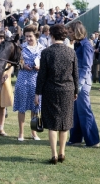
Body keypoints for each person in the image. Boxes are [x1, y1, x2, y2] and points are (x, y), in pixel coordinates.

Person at [34, 24, 78, 164]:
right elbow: (75, 74)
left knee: (52, 124)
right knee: (64, 123)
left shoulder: (46, 52)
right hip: (67, 89)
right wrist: (76, 90)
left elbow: (42, 75)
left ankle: (53, 154)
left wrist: (37, 93)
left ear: (52, 35)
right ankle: (62, 152)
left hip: (50, 90)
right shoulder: (71, 52)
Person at [67, 20, 100, 147]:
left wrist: (79, 84)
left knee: (85, 111)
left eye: (70, 32)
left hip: (82, 82)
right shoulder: (78, 45)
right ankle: (75, 139)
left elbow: (87, 66)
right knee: (75, 111)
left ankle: (93, 140)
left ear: (76, 32)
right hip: (76, 81)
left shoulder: (86, 45)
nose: (69, 34)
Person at [13, 25, 44, 141]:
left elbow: (45, 65)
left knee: (35, 108)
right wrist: (23, 65)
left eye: (30, 36)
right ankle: (21, 133)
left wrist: (40, 66)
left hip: (37, 81)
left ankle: (34, 133)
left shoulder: (42, 48)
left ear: (36, 35)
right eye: (26, 36)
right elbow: (16, 63)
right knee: (22, 107)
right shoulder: (21, 48)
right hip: (23, 80)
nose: (28, 39)